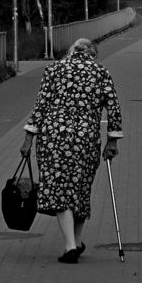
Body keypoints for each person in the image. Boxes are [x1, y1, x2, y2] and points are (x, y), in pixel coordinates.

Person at [20, 36, 123, 264]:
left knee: (58, 189)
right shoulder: (100, 72)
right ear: (91, 54)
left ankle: (70, 247)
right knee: (80, 188)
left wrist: (28, 138)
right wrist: (112, 140)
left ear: (71, 51)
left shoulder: (54, 69)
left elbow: (41, 104)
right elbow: (113, 108)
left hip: (53, 138)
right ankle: (75, 243)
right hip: (86, 139)